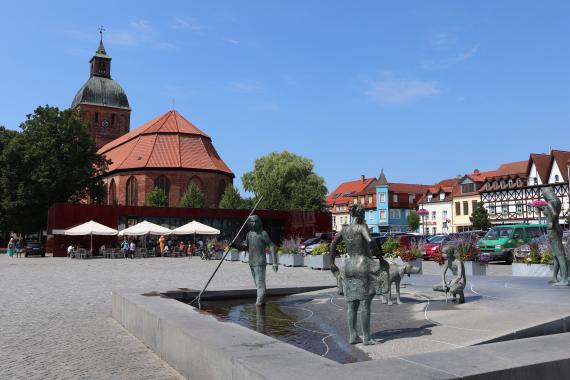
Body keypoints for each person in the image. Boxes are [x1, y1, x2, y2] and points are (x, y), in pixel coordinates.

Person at [329, 204, 386, 345]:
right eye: (364, 215)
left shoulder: (344, 230)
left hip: (348, 267)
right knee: (365, 304)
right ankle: (366, 338)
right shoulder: (361, 227)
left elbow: (333, 245)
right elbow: (371, 241)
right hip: (362, 265)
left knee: (351, 305)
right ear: (360, 215)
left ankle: (353, 336)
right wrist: (380, 258)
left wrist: (332, 263)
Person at [232, 215, 278, 306]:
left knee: (260, 284)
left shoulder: (263, 233)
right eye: (251, 221)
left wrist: (274, 262)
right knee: (257, 284)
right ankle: (262, 301)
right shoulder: (249, 234)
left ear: (259, 222)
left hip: (260, 262)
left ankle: (259, 304)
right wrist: (234, 245)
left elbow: (272, 245)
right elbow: (246, 248)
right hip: (252, 262)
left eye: (255, 221)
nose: (253, 223)